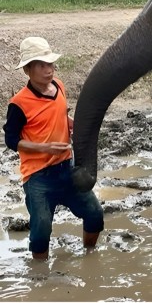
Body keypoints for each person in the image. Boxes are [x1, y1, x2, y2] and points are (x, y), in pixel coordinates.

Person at [2, 37, 104, 260]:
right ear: (28, 69)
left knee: (95, 214)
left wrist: (69, 121)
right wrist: (44, 147)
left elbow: (58, 113)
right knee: (41, 231)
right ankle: (40, 277)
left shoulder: (59, 85)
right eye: (42, 65)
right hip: (38, 178)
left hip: (67, 168)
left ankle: (90, 257)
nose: (49, 70)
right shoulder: (19, 104)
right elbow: (11, 140)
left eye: (50, 64)